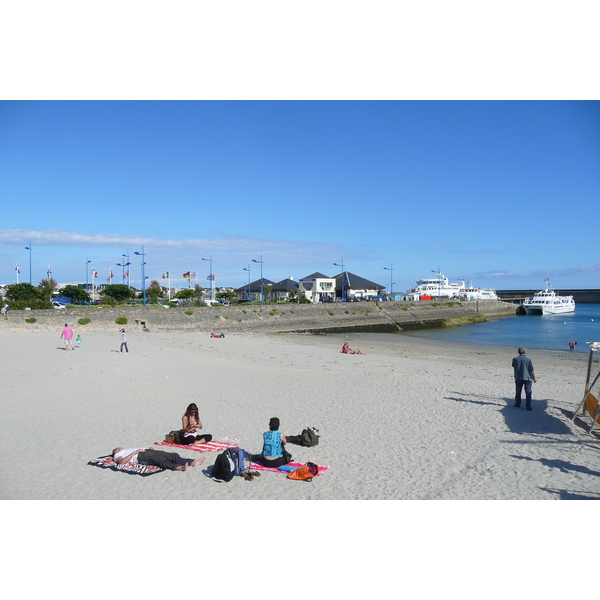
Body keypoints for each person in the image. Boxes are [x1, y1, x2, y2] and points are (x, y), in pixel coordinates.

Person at [111, 447, 205, 471]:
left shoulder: (126, 449)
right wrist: (134, 453)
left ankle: (192, 462)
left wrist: (148, 448)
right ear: (115, 452)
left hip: (147, 451)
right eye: (116, 449)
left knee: (172, 455)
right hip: (140, 457)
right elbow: (121, 462)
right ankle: (178, 467)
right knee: (160, 460)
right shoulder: (118, 454)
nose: (118, 448)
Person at [512, 347, 537, 411]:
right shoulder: (528, 359)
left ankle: (517, 404)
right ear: (525, 352)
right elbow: (531, 369)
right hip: (527, 378)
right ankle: (528, 406)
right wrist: (534, 378)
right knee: (528, 392)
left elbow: (514, 366)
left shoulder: (515, 359)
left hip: (518, 377)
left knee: (518, 392)